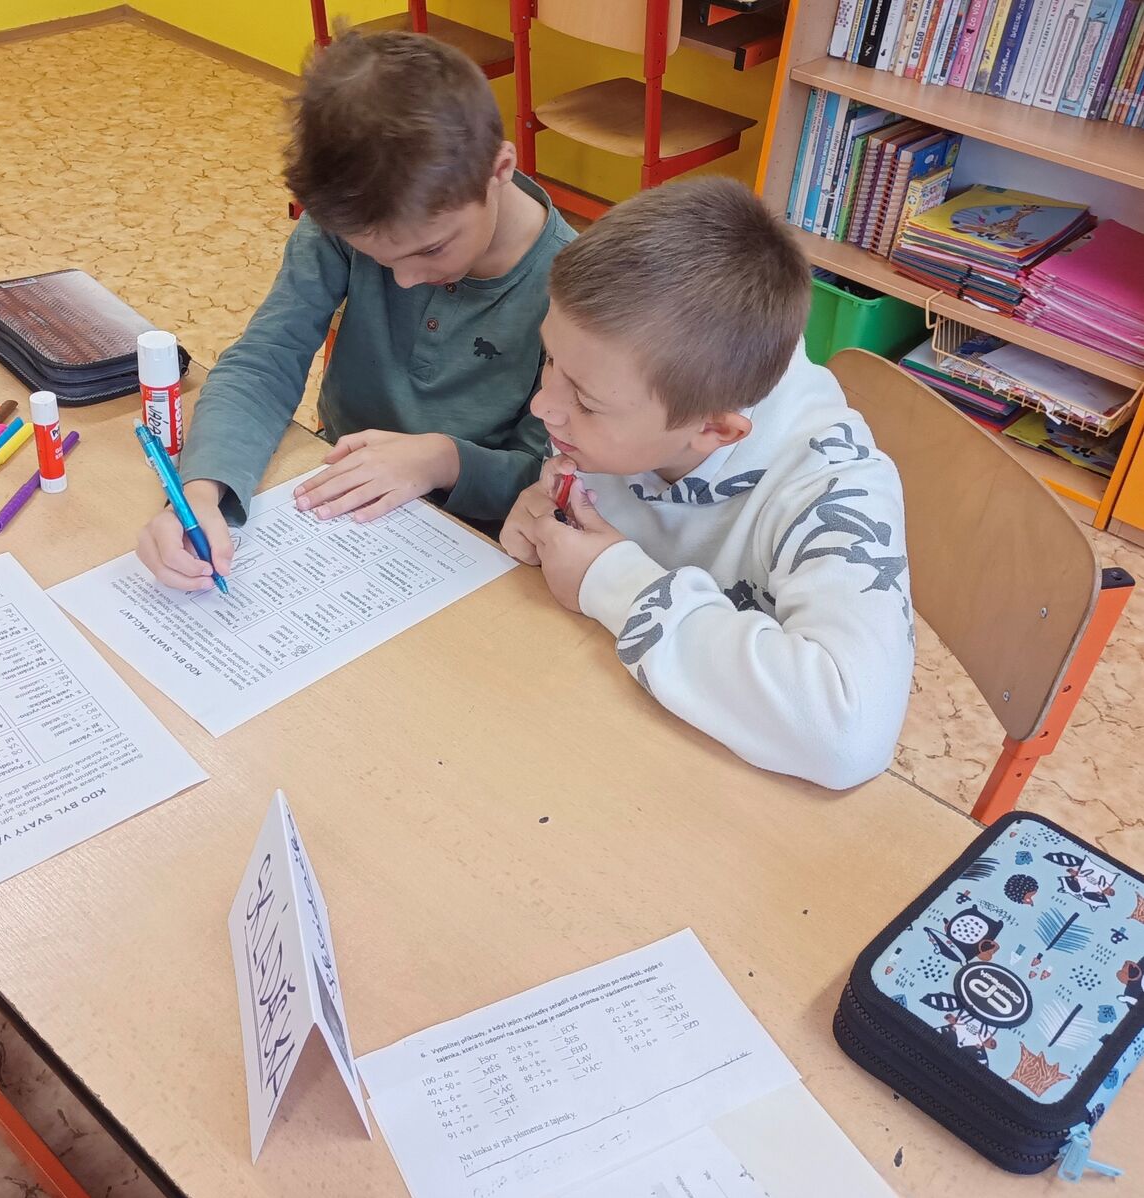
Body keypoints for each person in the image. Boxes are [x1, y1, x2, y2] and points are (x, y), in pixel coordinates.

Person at [502, 178, 914, 790]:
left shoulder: (834, 491)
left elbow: (847, 735)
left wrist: (610, 580)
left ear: (715, 430)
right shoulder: (635, 384)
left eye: (584, 401)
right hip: (608, 741)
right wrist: (548, 521)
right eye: (551, 359)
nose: (543, 407)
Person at [138, 30, 575, 590]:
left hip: (481, 535)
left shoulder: (577, 291)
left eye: (431, 249)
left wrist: (444, 460)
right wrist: (201, 491)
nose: (405, 279)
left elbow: (553, 476)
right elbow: (267, 359)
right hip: (340, 488)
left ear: (500, 168)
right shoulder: (350, 218)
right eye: (379, 259)